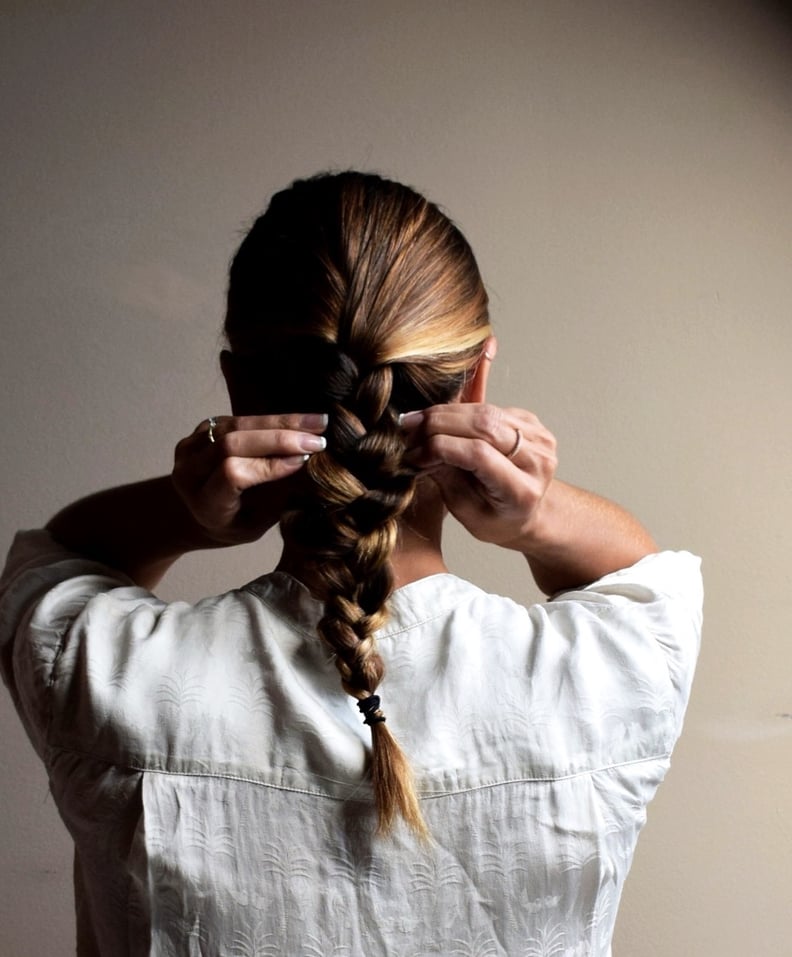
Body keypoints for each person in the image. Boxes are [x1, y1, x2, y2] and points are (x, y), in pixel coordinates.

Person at [0, 171, 702, 956]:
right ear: (476, 378)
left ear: (239, 389)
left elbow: (54, 560)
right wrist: (535, 512)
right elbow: (641, 578)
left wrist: (186, 507)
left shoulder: (105, 674)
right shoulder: (607, 675)